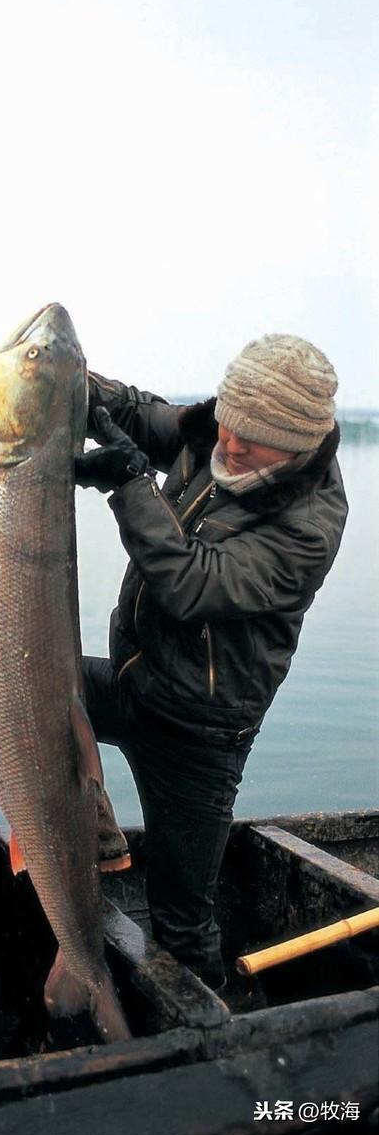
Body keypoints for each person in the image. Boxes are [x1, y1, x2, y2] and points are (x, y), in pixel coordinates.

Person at [74, 334, 347, 991]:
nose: (225, 446)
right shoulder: (216, 432)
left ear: (296, 446)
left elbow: (192, 584)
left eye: (247, 440)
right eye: (224, 425)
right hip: (137, 680)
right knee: (25, 697)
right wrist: (63, 378)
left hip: (198, 735)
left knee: (181, 918)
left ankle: (207, 1052)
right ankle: (100, 840)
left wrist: (128, 484)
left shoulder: (307, 524)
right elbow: (141, 414)